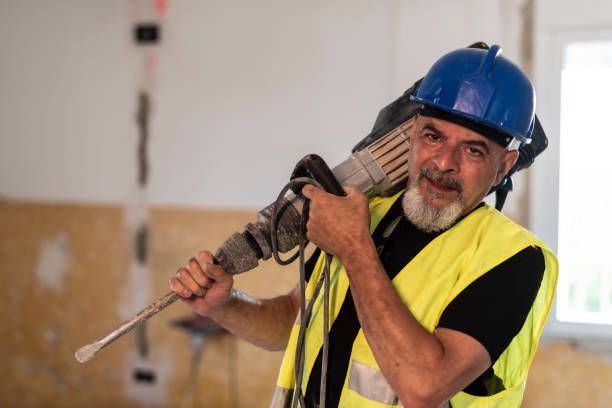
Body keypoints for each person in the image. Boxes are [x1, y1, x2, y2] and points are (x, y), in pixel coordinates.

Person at [169, 45, 558, 407]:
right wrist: (226, 306)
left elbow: (424, 386)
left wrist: (355, 249)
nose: (443, 162)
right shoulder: (367, 213)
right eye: (433, 136)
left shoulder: (515, 260)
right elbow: (295, 318)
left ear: (503, 167)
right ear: (412, 136)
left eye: (473, 150)